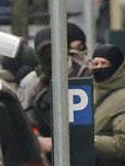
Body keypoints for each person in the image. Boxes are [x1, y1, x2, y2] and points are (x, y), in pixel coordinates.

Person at [21, 23, 93, 157]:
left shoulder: (85, 74)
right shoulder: (32, 84)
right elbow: (26, 119)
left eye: (53, 49)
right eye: (44, 52)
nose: (50, 56)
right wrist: (39, 140)